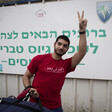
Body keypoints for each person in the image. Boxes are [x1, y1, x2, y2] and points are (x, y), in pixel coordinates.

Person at [22, 11, 88, 112]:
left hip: (55, 108)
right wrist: (29, 89)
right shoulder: (39, 59)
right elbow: (26, 76)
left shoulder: (66, 64)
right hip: (35, 105)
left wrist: (82, 31)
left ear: (67, 49)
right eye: (59, 44)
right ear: (54, 44)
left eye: (65, 46)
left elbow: (82, 52)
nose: (61, 47)